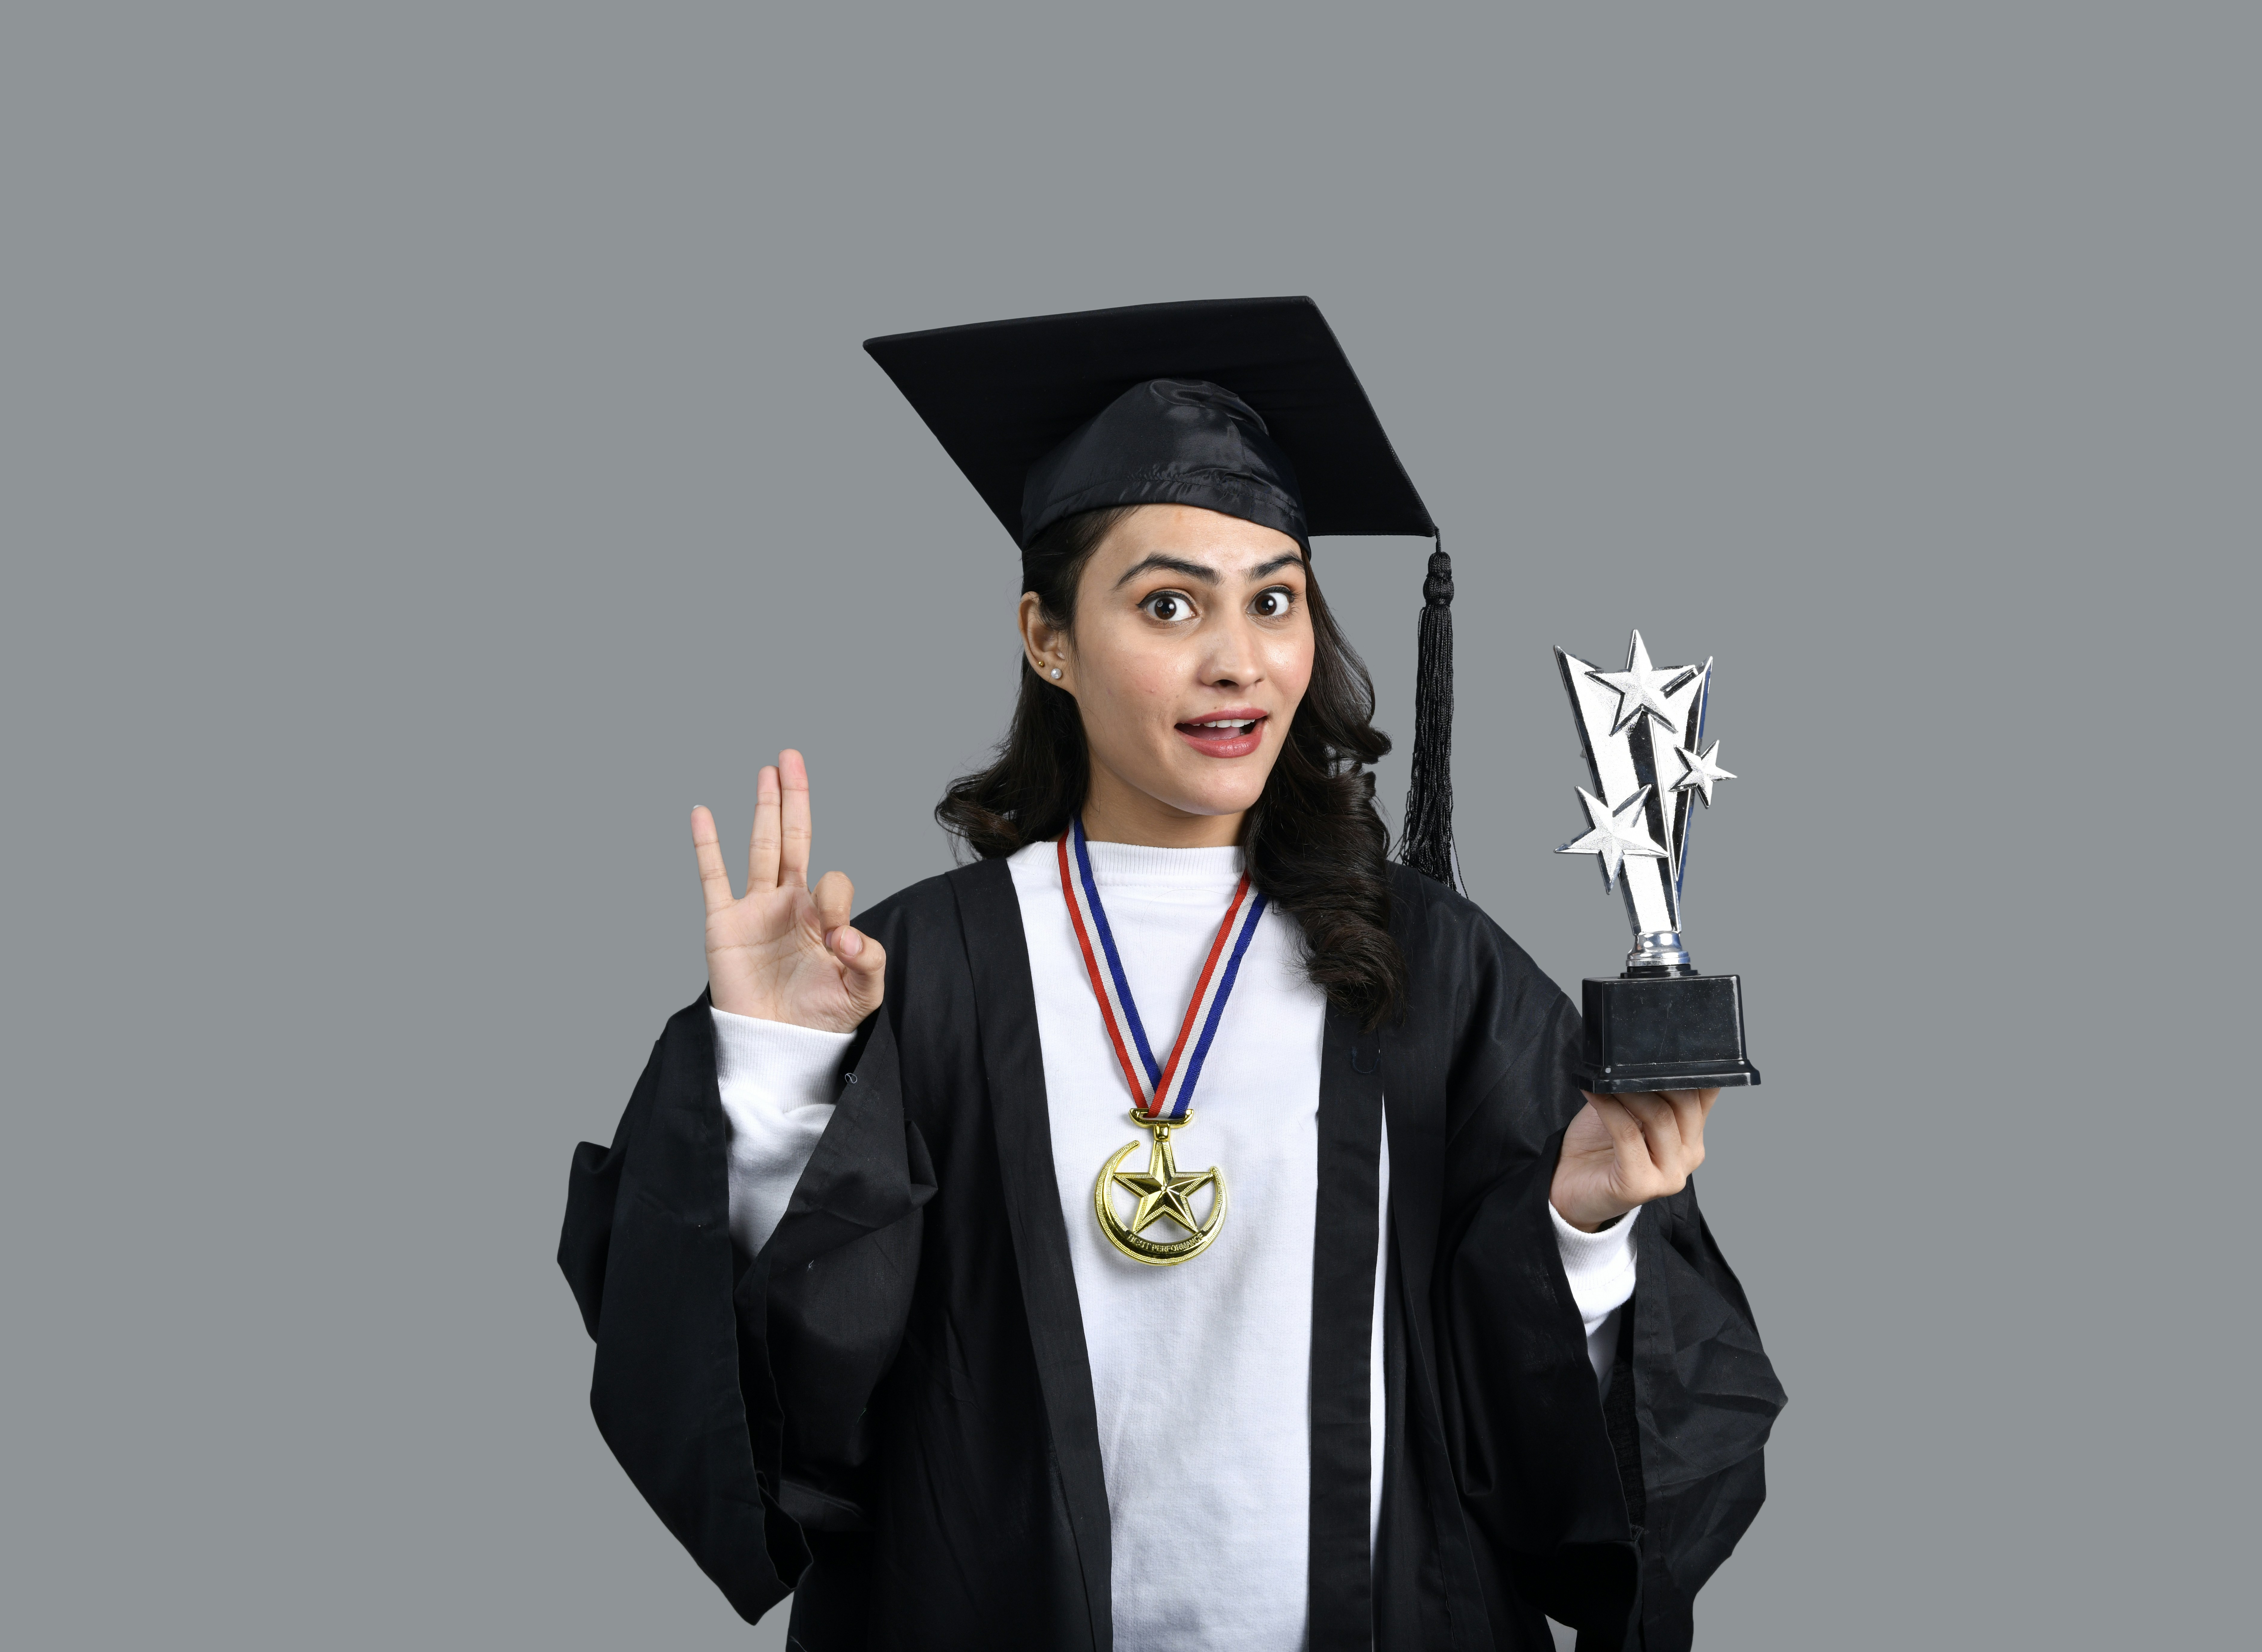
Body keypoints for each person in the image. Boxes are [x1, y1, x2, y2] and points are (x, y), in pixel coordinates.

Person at [558, 298, 1783, 1651]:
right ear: (1047, 637)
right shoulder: (920, 972)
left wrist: (1587, 1224)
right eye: (1166, 602)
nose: (1238, 659)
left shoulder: (1433, 963)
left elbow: (1599, 1485)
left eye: (1274, 598)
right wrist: (781, 1075)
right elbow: (772, 1440)